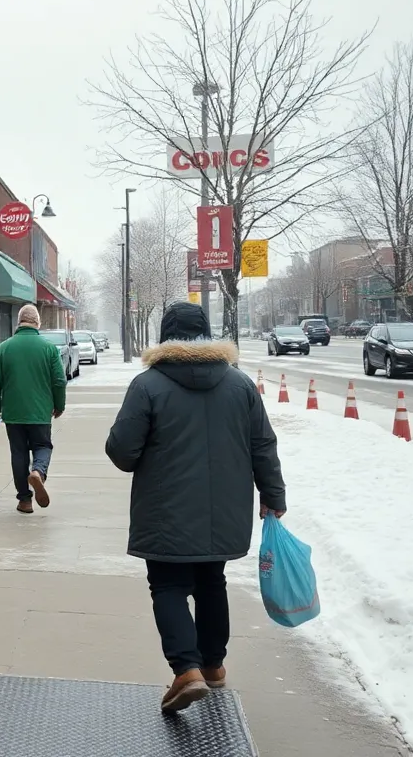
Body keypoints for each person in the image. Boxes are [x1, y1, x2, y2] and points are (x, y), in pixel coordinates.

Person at [105, 302, 285, 714]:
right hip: (225, 512)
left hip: (165, 511)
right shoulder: (240, 386)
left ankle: (186, 669)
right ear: (207, 335)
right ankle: (214, 665)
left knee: (167, 586)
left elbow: (122, 452)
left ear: (166, 338)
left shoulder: (147, 385)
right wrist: (273, 496)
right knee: (211, 583)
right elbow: (263, 445)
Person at [0, 304, 67, 514]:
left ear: (19, 322)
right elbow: (59, 381)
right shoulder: (49, 349)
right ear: (37, 323)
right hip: (41, 412)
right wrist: (59, 405)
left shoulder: (3, 348)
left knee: (19, 453)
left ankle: (24, 500)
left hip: (13, 413)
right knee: (43, 446)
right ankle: (38, 472)